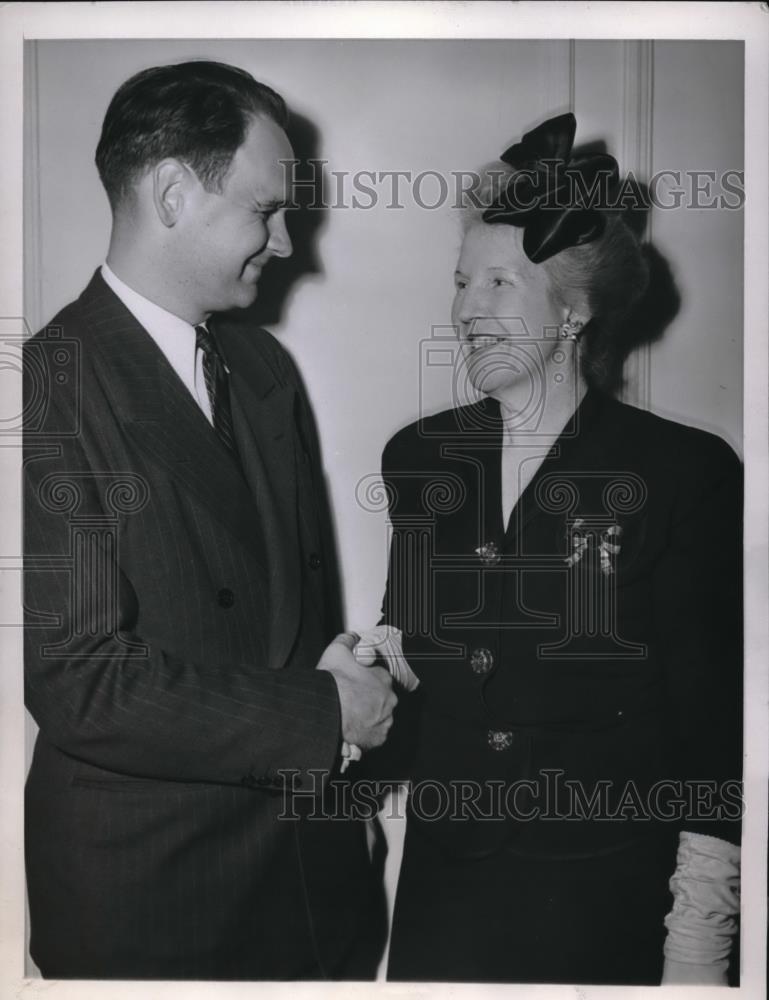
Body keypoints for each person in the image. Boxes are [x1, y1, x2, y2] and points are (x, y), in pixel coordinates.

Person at [23, 60, 396, 980]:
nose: (284, 242)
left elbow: (287, 625)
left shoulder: (264, 369)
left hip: (307, 881)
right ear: (174, 193)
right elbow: (79, 681)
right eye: (264, 210)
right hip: (156, 900)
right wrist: (321, 710)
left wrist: (340, 673)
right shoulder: (46, 383)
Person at [372, 113, 742, 985]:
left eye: (499, 283)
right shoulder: (418, 456)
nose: (466, 309)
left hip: (604, 892)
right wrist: (360, 668)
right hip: (443, 890)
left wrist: (696, 952)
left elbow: (710, 730)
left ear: (573, 310)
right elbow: (413, 649)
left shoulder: (682, 471)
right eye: (461, 282)